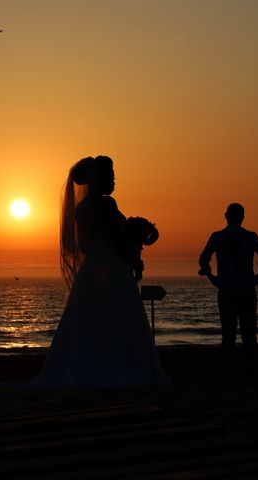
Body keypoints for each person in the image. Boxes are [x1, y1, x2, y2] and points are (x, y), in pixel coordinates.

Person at [32, 155, 171, 387]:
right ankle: (118, 366)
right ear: (101, 179)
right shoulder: (107, 204)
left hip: (91, 272)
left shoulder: (81, 209)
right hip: (112, 268)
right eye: (111, 175)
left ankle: (93, 365)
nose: (115, 180)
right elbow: (117, 240)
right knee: (119, 318)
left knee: (92, 320)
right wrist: (133, 259)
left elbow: (84, 246)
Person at [198, 203, 258, 384]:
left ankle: (228, 373)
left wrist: (211, 277)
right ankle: (252, 372)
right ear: (243, 217)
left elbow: (203, 260)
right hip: (247, 289)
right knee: (249, 333)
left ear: (225, 216)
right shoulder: (251, 237)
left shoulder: (217, 237)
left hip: (226, 290)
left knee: (228, 334)